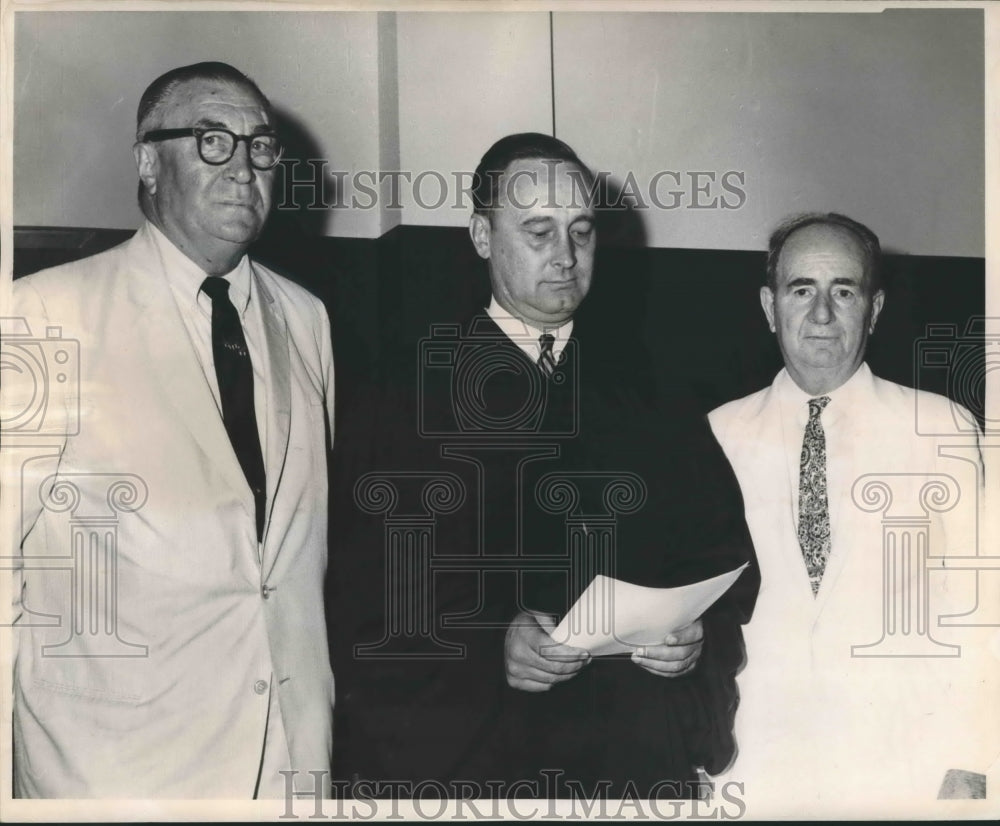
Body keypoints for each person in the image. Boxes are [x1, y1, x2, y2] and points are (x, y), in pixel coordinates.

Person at [330, 133, 758, 798]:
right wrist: (487, 648)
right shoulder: (403, 394)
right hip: (476, 769)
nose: (564, 257)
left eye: (581, 231)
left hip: (624, 769)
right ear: (481, 235)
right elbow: (361, 600)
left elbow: (719, 566)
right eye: (538, 230)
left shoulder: (655, 396)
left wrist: (693, 641)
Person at [2, 62, 335, 798]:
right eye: (212, 140)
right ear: (149, 163)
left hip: (288, 762)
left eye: (260, 145)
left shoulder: (307, 318)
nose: (244, 166)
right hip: (109, 771)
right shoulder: (43, 313)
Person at [708, 212, 998, 814]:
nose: (821, 314)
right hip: (754, 768)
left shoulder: (941, 426)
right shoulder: (717, 434)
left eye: (844, 291)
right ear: (769, 307)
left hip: (904, 770)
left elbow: (984, 608)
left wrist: (972, 763)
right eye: (800, 290)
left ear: (875, 307)